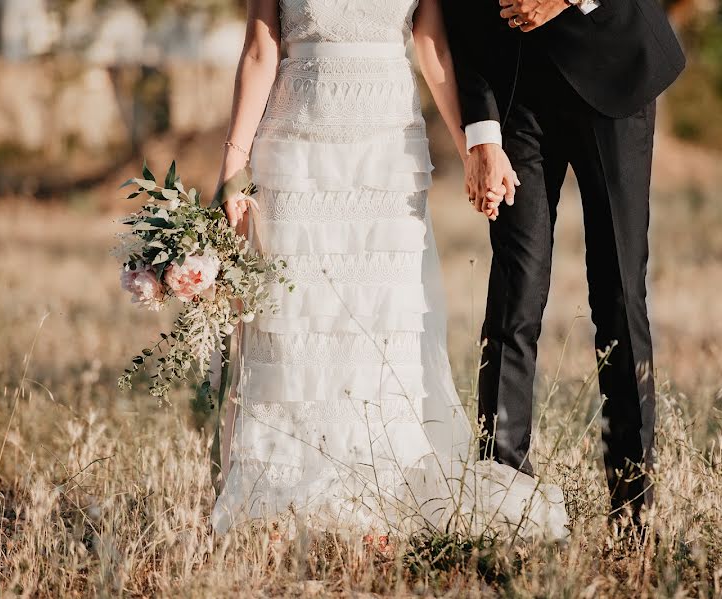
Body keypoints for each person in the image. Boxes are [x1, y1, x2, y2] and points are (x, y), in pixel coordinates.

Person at [210, 0, 567, 542]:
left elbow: (432, 48)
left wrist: (472, 147)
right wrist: (232, 168)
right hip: (295, 151)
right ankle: (277, 495)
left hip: (385, 153)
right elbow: (262, 48)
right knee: (296, 321)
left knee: (378, 323)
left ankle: (375, 497)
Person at [442, 0, 685, 530]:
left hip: (610, 66)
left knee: (618, 293)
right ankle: (502, 504)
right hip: (511, 88)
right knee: (516, 289)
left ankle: (633, 511)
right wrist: (480, 132)